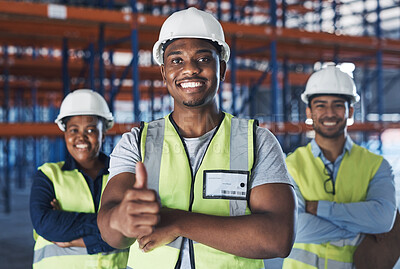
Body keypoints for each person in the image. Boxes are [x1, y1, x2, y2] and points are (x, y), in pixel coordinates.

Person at [97, 7, 297, 269]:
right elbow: (111, 233)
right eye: (176, 60)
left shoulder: (256, 142)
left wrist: (177, 221)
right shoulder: (137, 142)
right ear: (164, 73)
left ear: (221, 68)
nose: (189, 69)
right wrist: (121, 220)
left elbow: (277, 238)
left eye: (203, 59)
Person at [282, 63, 397, 268]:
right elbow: (294, 228)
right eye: (320, 105)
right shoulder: (289, 165)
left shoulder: (376, 165)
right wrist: (359, 231)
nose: (329, 113)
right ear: (309, 112)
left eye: (337, 105)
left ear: (350, 111)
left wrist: (321, 209)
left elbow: (383, 221)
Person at [30, 89, 129, 268]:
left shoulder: (124, 175)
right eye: (73, 130)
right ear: (65, 134)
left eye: (90, 130)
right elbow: (45, 225)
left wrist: (73, 236)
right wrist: (112, 222)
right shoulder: (48, 175)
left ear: (103, 134)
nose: (81, 137)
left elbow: (133, 229)